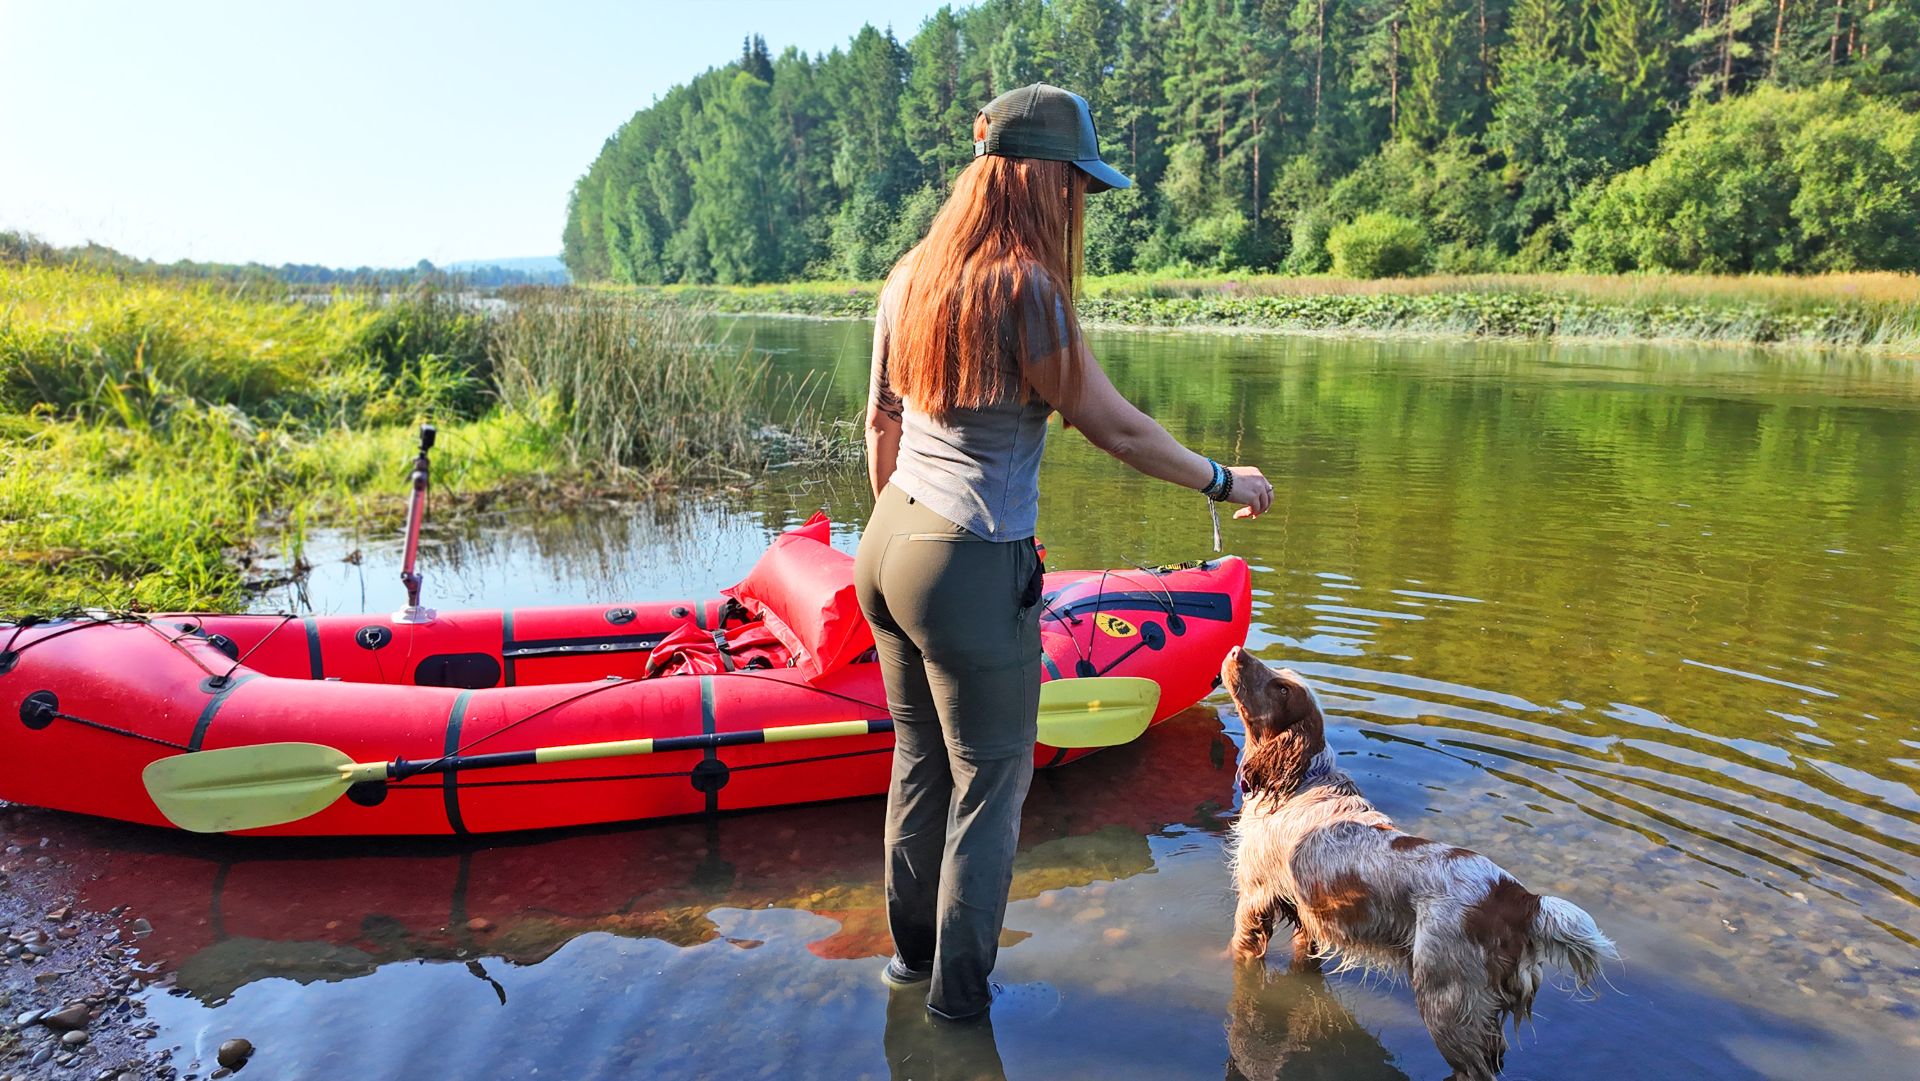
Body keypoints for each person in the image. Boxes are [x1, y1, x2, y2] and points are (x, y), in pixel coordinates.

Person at [853, 82, 1274, 1023]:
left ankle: (909, 971)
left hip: (887, 545)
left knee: (919, 762)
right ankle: (959, 1013)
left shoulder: (909, 273)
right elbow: (1114, 429)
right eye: (1077, 185)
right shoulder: (1025, 289)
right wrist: (1221, 479)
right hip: (966, 557)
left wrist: (902, 544)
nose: (1081, 203)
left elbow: (878, 426)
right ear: (1041, 178)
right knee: (993, 781)